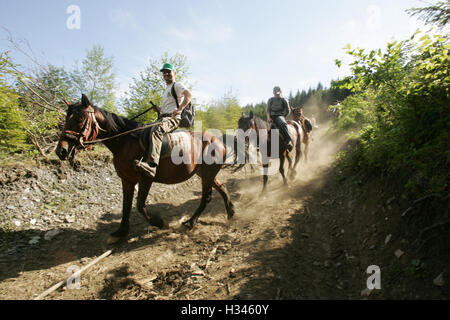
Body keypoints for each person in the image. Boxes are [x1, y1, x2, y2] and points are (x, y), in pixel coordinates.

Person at [134, 63, 192, 178]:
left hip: (173, 119)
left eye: (168, 71)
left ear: (174, 73)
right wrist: (158, 110)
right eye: (164, 72)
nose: (166, 74)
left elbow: (189, 95)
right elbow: (167, 108)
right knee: (144, 129)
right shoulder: (166, 90)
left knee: (157, 130)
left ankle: (152, 166)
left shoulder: (177, 85)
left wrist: (180, 109)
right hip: (163, 117)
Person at [266, 86, 293, 151]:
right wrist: (269, 118)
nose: (276, 94)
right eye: (275, 93)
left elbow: (288, 110)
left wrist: (283, 116)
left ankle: (288, 140)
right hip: (271, 117)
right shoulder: (270, 100)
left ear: (280, 92)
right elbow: (268, 110)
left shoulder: (284, 100)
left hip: (279, 116)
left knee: (283, 124)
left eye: (277, 93)